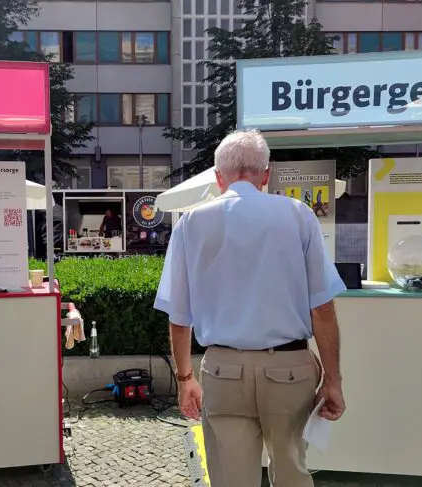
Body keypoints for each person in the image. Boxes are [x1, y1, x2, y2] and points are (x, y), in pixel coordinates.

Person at [154, 129, 346, 487]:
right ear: (266, 174)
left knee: (230, 478)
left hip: (223, 370)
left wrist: (185, 378)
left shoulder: (191, 223)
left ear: (218, 177)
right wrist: (333, 380)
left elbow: (179, 316)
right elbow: (322, 309)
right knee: (292, 473)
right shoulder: (298, 215)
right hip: (289, 369)